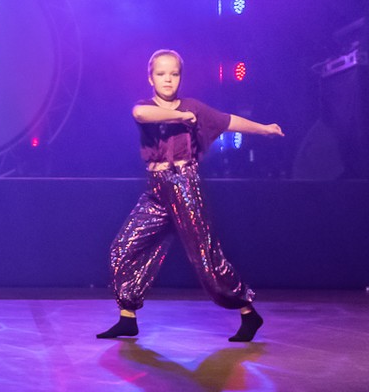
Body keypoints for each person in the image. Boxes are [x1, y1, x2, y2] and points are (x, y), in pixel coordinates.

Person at [96, 50, 282, 342]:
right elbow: (141, 114)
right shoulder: (150, 107)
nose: (168, 79)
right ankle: (127, 317)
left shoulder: (193, 106)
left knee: (206, 260)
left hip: (184, 185)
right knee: (122, 248)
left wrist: (264, 129)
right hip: (156, 191)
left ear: (180, 77)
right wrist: (181, 116)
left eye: (174, 74)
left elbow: (227, 121)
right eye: (161, 74)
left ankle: (248, 312)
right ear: (150, 78)